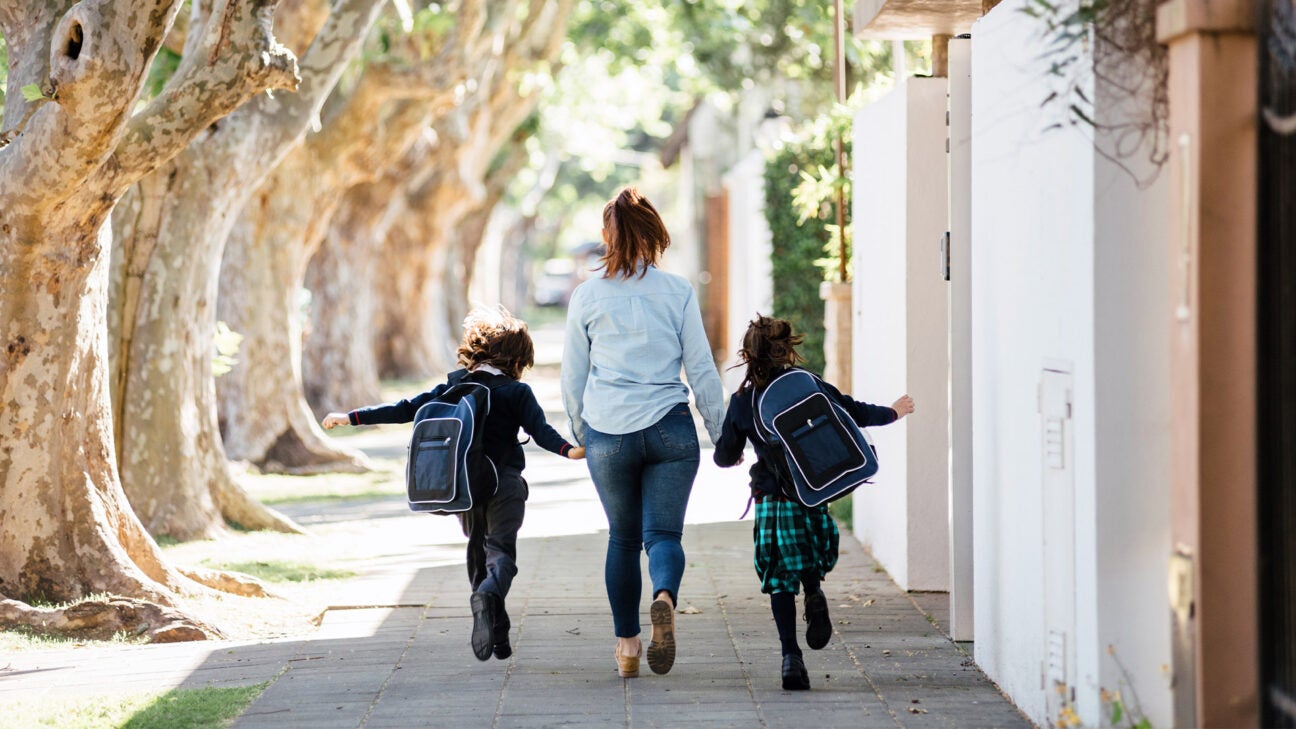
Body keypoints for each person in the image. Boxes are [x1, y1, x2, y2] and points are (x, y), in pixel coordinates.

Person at [322, 308, 585, 662]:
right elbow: (541, 432)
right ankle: (489, 597)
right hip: (504, 485)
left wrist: (351, 417)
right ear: (517, 357)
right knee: (501, 555)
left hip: (464, 487)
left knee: (477, 554)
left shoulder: (454, 385)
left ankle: (499, 634)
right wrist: (570, 451)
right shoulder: (516, 391)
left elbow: (405, 409)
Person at [561, 187, 726, 678]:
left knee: (622, 538)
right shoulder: (677, 291)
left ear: (607, 236)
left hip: (609, 431)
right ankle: (664, 598)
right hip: (671, 428)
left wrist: (581, 432)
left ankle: (628, 648)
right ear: (654, 233)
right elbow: (701, 368)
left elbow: (573, 375)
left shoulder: (587, 295)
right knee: (663, 535)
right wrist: (720, 434)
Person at [712, 314, 914, 690]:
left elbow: (724, 454)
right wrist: (893, 412)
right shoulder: (807, 384)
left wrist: (734, 455)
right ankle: (815, 590)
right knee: (809, 555)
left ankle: (791, 657)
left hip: (773, 496)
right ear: (787, 349)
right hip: (811, 490)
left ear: (748, 353)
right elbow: (851, 410)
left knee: (778, 575)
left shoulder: (742, 400)